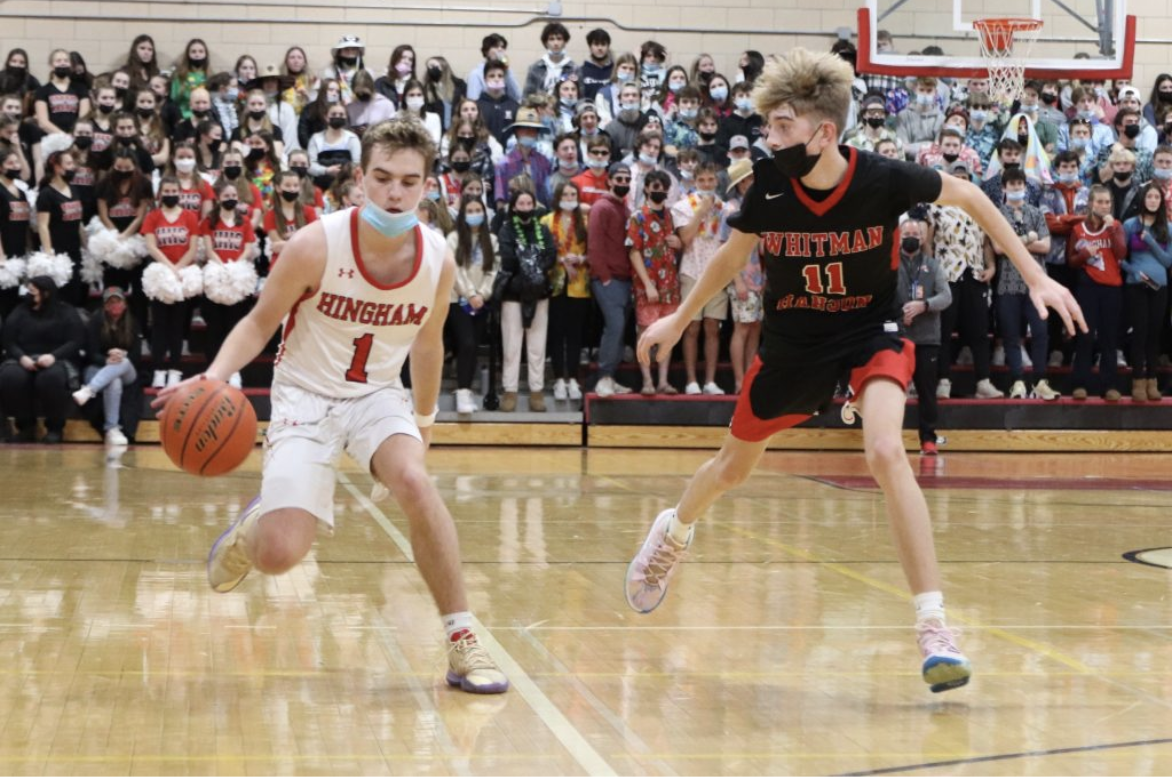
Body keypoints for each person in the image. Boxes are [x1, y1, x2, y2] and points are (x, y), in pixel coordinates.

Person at [626, 49, 1083, 694]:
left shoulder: (883, 179)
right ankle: (673, 531)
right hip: (793, 343)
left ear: (823, 133)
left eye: (781, 126)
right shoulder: (770, 186)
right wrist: (678, 317)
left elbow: (974, 196)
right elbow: (730, 259)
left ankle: (934, 627)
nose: (769, 137)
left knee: (886, 450)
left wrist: (1034, 275)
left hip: (872, 331)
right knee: (731, 468)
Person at [152, 118, 508, 694]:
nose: (395, 193)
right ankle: (251, 533)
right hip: (305, 397)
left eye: (409, 181)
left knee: (415, 483)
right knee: (280, 556)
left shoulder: (438, 258)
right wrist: (213, 380)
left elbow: (428, 343)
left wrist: (424, 423)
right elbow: (259, 322)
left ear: (427, 185)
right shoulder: (315, 244)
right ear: (360, 179)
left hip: (375, 397)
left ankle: (463, 639)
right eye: (382, 178)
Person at [989, 167, 1054, 399]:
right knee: (1011, 335)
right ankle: (1017, 381)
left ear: (1025, 187)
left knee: (1040, 332)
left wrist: (1013, 244)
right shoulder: (997, 214)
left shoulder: (1036, 213)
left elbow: (1046, 246)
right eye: (1012, 184)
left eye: (1020, 184)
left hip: (1036, 284)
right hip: (1008, 283)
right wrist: (1028, 239)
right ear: (1004, 188)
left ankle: (1040, 381)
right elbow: (998, 248)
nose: (1016, 188)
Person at [0, 276, 83, 443]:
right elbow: (9, 341)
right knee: (11, 377)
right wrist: (21, 357)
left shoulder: (66, 312)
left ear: (46, 293)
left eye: (33, 292)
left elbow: (75, 341)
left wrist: (54, 356)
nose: (28, 295)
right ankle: (26, 427)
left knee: (50, 378)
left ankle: (55, 428)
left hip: (57, 359)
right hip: (24, 358)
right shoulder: (20, 311)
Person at [496, 188, 555, 413]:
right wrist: (526, 270)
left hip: (539, 292)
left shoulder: (543, 229)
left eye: (529, 203)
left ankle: (536, 391)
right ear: (513, 207)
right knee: (511, 345)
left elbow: (550, 253)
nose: (525, 208)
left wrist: (535, 270)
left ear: (534, 206)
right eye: (521, 204)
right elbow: (508, 257)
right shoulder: (506, 230)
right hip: (513, 293)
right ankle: (509, 390)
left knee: (537, 345)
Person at [895, 218, 951, 455]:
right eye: (906, 232)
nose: (911, 236)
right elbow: (878, 297)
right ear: (898, 236)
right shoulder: (888, 265)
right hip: (896, 338)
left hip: (927, 339)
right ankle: (891, 441)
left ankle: (928, 439)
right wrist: (900, 312)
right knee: (893, 393)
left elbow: (946, 297)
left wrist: (924, 305)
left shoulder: (933, 265)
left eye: (916, 233)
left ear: (923, 237)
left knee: (927, 392)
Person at [671, 162, 725, 395]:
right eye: (701, 180)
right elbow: (685, 239)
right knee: (692, 327)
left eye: (710, 180)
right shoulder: (682, 206)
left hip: (716, 273)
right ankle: (691, 380)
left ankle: (710, 381)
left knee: (713, 327)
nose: (706, 184)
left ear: (717, 181)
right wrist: (700, 213)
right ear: (694, 182)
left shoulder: (726, 209)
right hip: (692, 270)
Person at [1068, 185, 1124, 401]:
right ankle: (1080, 383)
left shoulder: (1116, 226)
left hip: (1112, 288)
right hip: (1088, 288)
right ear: (1091, 203)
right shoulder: (1078, 229)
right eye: (1099, 202)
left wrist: (1111, 230)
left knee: (1109, 338)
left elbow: (1121, 252)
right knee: (1085, 336)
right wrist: (1083, 255)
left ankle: (1109, 384)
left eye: (1107, 202)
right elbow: (1070, 261)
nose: (1103, 206)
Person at [627, 169, 680, 395]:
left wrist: (678, 242)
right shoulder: (637, 216)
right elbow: (633, 251)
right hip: (646, 285)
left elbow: (676, 244)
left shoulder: (670, 216)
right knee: (646, 332)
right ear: (647, 188)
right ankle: (647, 380)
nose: (658, 190)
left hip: (670, 284)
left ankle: (663, 381)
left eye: (662, 187)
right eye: (654, 186)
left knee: (666, 333)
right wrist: (648, 284)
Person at [446, 195, 498, 415]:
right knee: (465, 343)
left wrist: (482, 295)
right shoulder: (454, 237)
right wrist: (469, 294)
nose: (474, 214)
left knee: (474, 345)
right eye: (471, 210)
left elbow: (493, 270)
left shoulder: (492, 240)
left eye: (478, 210)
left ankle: (466, 389)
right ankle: (462, 391)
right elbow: (455, 269)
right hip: (457, 301)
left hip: (481, 302)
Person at [72, 286, 141, 447]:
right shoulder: (96, 321)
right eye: (111, 302)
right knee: (113, 381)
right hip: (98, 367)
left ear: (125, 304)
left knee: (123, 363)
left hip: (128, 370)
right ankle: (112, 429)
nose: (115, 305)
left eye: (118, 301)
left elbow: (136, 356)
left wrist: (121, 355)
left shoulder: (133, 322)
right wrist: (107, 360)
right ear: (105, 305)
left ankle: (89, 390)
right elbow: (91, 353)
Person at [1120, 183, 1171, 401]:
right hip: (1136, 285)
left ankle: (1153, 380)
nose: (1152, 200)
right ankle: (1137, 381)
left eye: (1156, 197)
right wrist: (1133, 271)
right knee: (1139, 332)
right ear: (1143, 199)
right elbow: (1119, 257)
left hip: (1159, 285)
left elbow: (1168, 261)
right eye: (1149, 196)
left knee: (1154, 333)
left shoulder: (1167, 227)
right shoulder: (1130, 224)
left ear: (1161, 201)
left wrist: (1149, 240)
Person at [587, 163, 634, 397]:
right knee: (614, 326)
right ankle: (603, 377)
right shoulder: (601, 207)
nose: (623, 183)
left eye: (627, 179)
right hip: (608, 279)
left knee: (619, 329)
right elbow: (594, 246)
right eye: (619, 179)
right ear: (610, 180)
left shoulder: (625, 209)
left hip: (625, 279)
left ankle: (611, 377)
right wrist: (604, 278)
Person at [542, 182, 590, 403]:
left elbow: (595, 252)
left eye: (573, 193)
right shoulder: (546, 220)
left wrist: (580, 259)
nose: (569, 197)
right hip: (555, 283)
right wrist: (560, 260)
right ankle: (559, 378)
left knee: (575, 335)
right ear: (558, 196)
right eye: (565, 193)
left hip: (578, 284)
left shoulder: (586, 221)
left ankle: (573, 378)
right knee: (556, 333)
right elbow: (541, 252)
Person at [721, 158, 763, 394]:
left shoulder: (758, 206)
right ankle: (738, 380)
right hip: (740, 276)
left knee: (755, 327)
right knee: (742, 327)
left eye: (750, 178)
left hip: (760, 277)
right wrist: (736, 280)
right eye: (743, 180)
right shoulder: (730, 209)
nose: (747, 183)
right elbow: (724, 248)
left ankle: (748, 376)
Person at [523, 22, 575, 97]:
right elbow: (527, 97)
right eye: (551, 39)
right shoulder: (535, 68)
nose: (556, 43)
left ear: (565, 42)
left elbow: (579, 96)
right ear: (546, 43)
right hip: (540, 107)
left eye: (559, 39)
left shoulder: (574, 68)